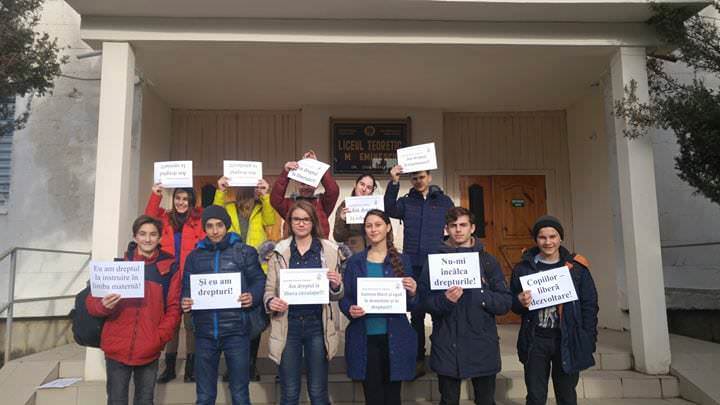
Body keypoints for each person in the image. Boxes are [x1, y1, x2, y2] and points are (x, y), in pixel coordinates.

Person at [419, 207, 511, 405]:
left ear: (472, 228)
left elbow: (505, 302)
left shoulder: (487, 261)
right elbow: (423, 301)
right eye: (453, 226)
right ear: (446, 229)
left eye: (463, 225)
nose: (458, 230)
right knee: (448, 400)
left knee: (485, 401)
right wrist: (445, 300)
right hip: (447, 343)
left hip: (482, 344)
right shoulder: (434, 262)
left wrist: (481, 294)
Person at [86, 215, 182, 405]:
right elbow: (91, 303)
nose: (147, 239)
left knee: (145, 400)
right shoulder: (118, 266)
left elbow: (174, 308)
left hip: (149, 347)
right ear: (135, 237)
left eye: (153, 234)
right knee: (116, 400)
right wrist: (103, 305)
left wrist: (159, 337)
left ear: (159, 237)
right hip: (117, 347)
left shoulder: (169, 268)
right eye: (142, 234)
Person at [181, 206, 266, 405]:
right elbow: (187, 288)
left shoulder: (244, 252)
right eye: (209, 226)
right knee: (204, 396)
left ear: (226, 226)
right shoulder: (194, 257)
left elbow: (259, 280)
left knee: (240, 394)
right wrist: (185, 300)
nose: (215, 230)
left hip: (236, 332)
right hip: (204, 333)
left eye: (219, 225)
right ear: (204, 228)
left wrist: (252, 296)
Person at [510, 215, 599, 405]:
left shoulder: (576, 268)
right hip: (535, 339)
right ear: (536, 239)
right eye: (542, 237)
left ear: (561, 238)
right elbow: (512, 303)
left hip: (566, 339)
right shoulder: (523, 268)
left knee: (566, 395)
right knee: (535, 395)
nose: (548, 242)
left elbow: (589, 306)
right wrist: (519, 301)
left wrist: (588, 337)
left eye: (553, 236)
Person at [264, 200, 345, 405]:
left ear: (313, 222)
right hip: (287, 325)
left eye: (306, 219)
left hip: (317, 324)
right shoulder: (279, 252)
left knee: (318, 392)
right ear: (290, 222)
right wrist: (271, 301)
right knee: (289, 393)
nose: (301, 223)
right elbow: (269, 290)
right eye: (296, 219)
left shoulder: (329, 251)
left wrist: (336, 285)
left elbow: (336, 295)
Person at [340, 209, 418, 405]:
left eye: (378, 225)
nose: (373, 229)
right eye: (369, 226)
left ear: (388, 227)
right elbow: (344, 298)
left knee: (393, 397)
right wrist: (349, 309)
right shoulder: (354, 262)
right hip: (364, 337)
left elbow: (411, 305)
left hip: (396, 337)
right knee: (372, 397)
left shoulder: (403, 260)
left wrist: (413, 292)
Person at [384, 165, 454, 376]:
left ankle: (444, 358)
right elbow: (389, 209)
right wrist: (394, 182)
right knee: (416, 313)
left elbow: (454, 225)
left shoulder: (444, 201)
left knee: (441, 311)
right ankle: (418, 359)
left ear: (429, 177)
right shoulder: (406, 202)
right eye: (414, 178)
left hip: (438, 263)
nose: (418, 181)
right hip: (414, 264)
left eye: (422, 177)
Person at [214, 175, 277, 381]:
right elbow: (214, 216)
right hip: (232, 268)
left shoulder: (261, 207)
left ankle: (251, 364)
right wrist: (220, 191)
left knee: (254, 320)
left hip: (256, 268)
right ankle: (232, 366)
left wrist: (265, 196)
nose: (245, 192)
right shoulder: (228, 208)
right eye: (241, 188)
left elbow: (270, 220)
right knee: (231, 319)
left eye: (248, 188)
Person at [145, 185, 205, 383]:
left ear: (191, 201)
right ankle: (169, 368)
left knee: (191, 324)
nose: (181, 202)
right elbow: (148, 217)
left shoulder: (198, 220)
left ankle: (191, 369)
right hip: (169, 277)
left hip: (190, 278)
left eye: (185, 199)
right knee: (170, 323)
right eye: (178, 198)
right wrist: (156, 195)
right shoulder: (164, 218)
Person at [270, 150, 339, 239]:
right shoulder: (289, 204)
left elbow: (333, 191)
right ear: (297, 184)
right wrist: (286, 173)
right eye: (302, 184)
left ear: (316, 185)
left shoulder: (322, 203)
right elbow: (275, 199)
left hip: (319, 245)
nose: (306, 187)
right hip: (294, 245)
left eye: (309, 184)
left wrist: (319, 168)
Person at [332, 173, 377, 254]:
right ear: (355, 185)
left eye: (369, 187)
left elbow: (387, 234)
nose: (364, 189)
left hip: (374, 253)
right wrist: (342, 220)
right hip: (352, 255)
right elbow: (338, 238)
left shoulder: (377, 208)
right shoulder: (345, 206)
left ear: (372, 191)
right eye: (362, 184)